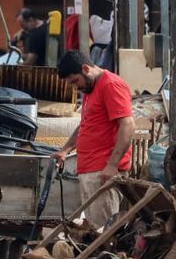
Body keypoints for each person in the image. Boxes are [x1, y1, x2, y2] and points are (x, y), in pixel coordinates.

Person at [50, 51, 136, 228]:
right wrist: (65, 150)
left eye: (75, 81)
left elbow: (127, 126)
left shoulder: (111, 85)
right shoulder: (90, 88)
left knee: (104, 232)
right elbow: (85, 124)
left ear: (86, 69)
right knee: (95, 230)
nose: (75, 88)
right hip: (91, 170)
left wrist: (112, 164)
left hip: (103, 172)